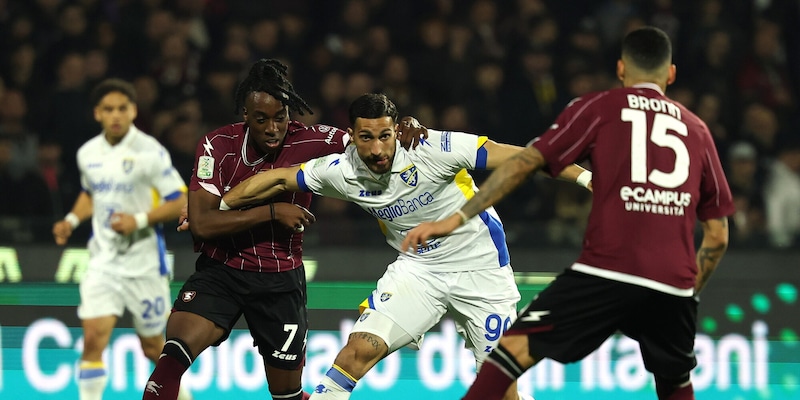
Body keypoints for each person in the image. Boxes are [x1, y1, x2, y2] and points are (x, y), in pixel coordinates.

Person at [401, 26, 735, 400]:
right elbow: (719, 237)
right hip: (673, 280)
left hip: (607, 269)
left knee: (509, 353)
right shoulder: (698, 130)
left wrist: (455, 219)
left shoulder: (599, 107)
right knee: (674, 382)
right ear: (670, 74)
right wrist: (684, 294)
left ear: (621, 69)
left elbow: (526, 162)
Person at [218, 93, 592, 400]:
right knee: (357, 350)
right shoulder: (341, 170)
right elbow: (279, 178)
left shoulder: (434, 148)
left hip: (483, 271)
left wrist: (587, 179)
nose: (378, 148)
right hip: (418, 271)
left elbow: (524, 159)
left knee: (499, 387)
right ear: (352, 136)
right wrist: (216, 205)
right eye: (366, 138)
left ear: (397, 131)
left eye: (385, 136)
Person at [141, 60, 425, 400]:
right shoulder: (217, 145)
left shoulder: (314, 140)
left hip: (279, 281)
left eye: (280, 117)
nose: (273, 127)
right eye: (261, 119)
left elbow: (370, 139)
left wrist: (405, 123)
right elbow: (202, 226)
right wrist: (272, 212)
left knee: (287, 396)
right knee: (169, 365)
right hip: (222, 271)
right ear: (245, 116)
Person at [51, 78, 191, 400]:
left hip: (143, 265)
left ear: (133, 111)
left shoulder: (150, 152)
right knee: (93, 339)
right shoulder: (88, 153)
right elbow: (91, 193)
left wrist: (138, 220)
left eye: (122, 108)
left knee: (155, 348)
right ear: (97, 114)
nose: (115, 115)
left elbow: (179, 199)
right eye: (108, 109)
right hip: (103, 263)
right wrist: (71, 220)